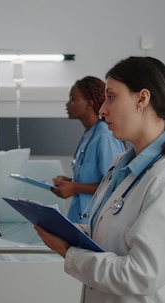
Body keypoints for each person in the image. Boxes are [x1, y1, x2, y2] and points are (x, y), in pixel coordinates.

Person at [34, 56, 165, 303]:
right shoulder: (120, 166)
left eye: (111, 97)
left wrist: (69, 251)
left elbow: (140, 273)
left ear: (142, 99)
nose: (102, 109)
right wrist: (70, 230)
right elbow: (107, 231)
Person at [52, 76, 125, 223]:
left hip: (95, 221)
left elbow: (113, 185)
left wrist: (75, 187)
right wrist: (70, 183)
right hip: (79, 218)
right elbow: (94, 177)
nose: (68, 104)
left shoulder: (105, 135)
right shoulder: (89, 134)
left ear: (89, 104)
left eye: (73, 99)